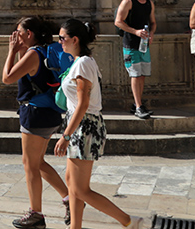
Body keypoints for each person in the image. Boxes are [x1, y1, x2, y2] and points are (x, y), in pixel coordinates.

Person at [53, 19, 145, 229]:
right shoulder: (80, 62)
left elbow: (83, 104)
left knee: (81, 189)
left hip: (84, 127)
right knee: (72, 182)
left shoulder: (84, 63)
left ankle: (129, 221)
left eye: (62, 38)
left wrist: (65, 136)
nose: (60, 42)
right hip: (79, 125)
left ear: (74, 39)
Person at [2, 16, 69, 229]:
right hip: (49, 113)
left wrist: (11, 51)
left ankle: (36, 214)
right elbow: (32, 75)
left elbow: (8, 77)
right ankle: (69, 198)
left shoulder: (33, 54)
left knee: (30, 165)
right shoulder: (48, 50)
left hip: (35, 114)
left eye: (19, 32)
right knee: (38, 163)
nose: (16, 36)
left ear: (29, 34)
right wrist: (21, 50)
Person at [112, 0, 155, 119]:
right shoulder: (128, 1)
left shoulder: (149, 3)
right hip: (131, 44)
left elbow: (153, 22)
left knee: (142, 75)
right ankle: (138, 106)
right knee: (135, 75)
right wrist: (135, 32)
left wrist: (151, 34)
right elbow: (118, 21)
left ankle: (137, 104)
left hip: (144, 45)